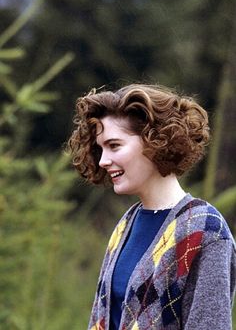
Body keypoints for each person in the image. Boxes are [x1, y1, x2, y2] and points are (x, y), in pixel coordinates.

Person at [68, 84, 236, 330]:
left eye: (114, 146)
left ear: (154, 141)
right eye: (100, 148)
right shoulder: (127, 223)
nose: (103, 160)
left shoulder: (206, 231)